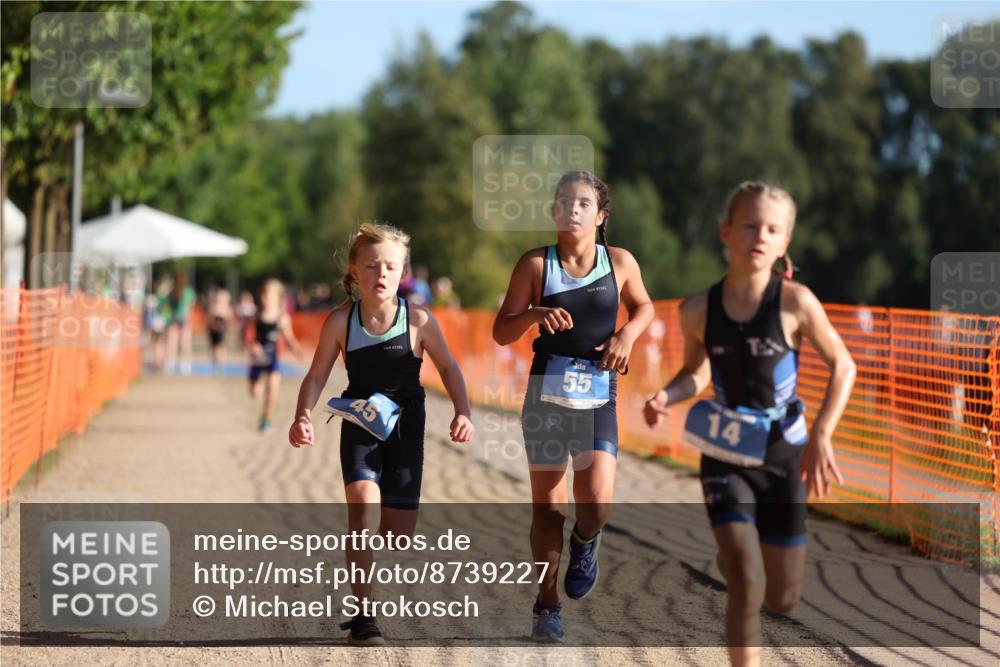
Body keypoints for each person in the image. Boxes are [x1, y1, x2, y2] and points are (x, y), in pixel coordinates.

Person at [642, 181, 856, 667]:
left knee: (783, 598)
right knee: (746, 579)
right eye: (749, 225)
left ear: (784, 244)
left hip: (784, 457)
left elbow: (844, 366)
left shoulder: (795, 302)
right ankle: (737, 566)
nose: (760, 236)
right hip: (725, 453)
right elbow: (696, 372)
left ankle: (736, 561)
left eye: (773, 229)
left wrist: (822, 432)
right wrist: (666, 396)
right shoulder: (697, 310)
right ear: (726, 232)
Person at [288, 222, 474, 646]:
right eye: (372, 266)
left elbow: (448, 368)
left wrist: (463, 411)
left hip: (407, 427)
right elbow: (316, 376)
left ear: (403, 271)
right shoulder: (340, 322)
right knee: (361, 511)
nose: (382, 274)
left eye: (391, 266)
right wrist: (302, 415)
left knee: (397, 532)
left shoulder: (420, 320)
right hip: (360, 423)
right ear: (354, 271)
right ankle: (363, 614)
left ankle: (369, 572)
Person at [492, 170, 654, 642]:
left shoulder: (620, 262)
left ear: (600, 216)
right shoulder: (535, 265)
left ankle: (587, 542)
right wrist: (533, 315)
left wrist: (626, 334)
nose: (573, 209)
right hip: (546, 391)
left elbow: (644, 308)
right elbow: (501, 332)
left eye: (584, 203)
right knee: (548, 511)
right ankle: (547, 606)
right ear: (553, 212)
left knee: (597, 503)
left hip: (598, 391)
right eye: (564, 201)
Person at [245, 279, 303, 433]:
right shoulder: (256, 317)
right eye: (263, 294)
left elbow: (289, 337)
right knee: (255, 393)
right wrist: (253, 345)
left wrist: (296, 349)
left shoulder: (282, 318)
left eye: (269, 294)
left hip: (273, 359)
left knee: (273, 387)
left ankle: (265, 419)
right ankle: (258, 384)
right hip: (257, 360)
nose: (265, 297)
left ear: (278, 298)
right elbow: (248, 338)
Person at [206, 288, 234, 371]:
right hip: (213, 330)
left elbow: (230, 319)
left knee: (221, 346)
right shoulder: (213, 307)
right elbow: (209, 319)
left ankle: (221, 362)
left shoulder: (226, 308)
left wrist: (224, 326)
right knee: (214, 346)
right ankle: (215, 361)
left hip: (221, 331)